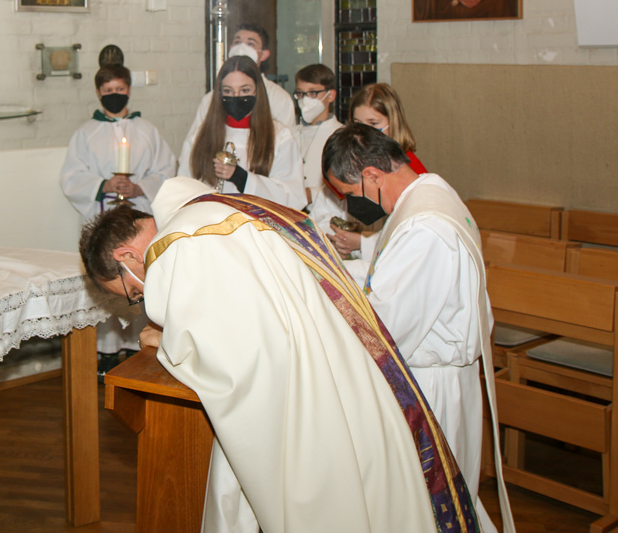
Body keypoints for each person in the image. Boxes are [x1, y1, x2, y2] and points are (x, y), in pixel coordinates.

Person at [80, 177, 485, 533]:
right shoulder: (212, 209)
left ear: (126, 257)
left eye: (134, 292)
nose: (144, 295)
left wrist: (169, 343)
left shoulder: (181, 247)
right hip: (341, 361)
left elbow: (229, 359)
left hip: (309, 391)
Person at [322, 123, 515, 533]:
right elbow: (390, 273)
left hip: (430, 387)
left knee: (426, 509)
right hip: (437, 378)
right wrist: (330, 273)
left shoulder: (424, 226)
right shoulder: (430, 192)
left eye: (349, 194)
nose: (350, 206)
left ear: (372, 175)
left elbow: (388, 328)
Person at [60, 63, 176, 366]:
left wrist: (139, 187)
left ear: (129, 90)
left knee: (140, 278)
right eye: (108, 90)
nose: (115, 94)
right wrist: (103, 185)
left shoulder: (147, 130)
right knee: (110, 280)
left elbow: (166, 170)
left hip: (137, 217)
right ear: (99, 93)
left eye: (120, 89)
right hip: (103, 213)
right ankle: (107, 350)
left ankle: (143, 343)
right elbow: (71, 176)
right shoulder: (86, 133)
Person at [177, 55, 304, 210]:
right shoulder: (201, 135)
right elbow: (183, 189)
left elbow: (293, 196)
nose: (236, 97)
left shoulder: (279, 137)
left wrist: (241, 178)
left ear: (257, 91)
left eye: (245, 90)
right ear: (219, 94)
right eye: (228, 91)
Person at [319, 82, 427, 256]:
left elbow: (410, 233)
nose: (364, 131)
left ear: (393, 123)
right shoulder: (346, 165)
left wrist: (362, 242)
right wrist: (336, 237)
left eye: (373, 123)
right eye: (357, 124)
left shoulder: (409, 171)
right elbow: (326, 209)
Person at [183, 24, 296, 147]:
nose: (241, 48)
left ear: (264, 54)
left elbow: (286, 143)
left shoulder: (279, 98)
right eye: (237, 42)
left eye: (250, 44)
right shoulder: (211, 97)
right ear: (230, 48)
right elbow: (194, 142)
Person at [293, 64, 342, 208]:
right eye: (301, 93)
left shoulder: (342, 135)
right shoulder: (290, 133)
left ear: (330, 95)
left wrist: (312, 193)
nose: (305, 100)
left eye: (313, 93)